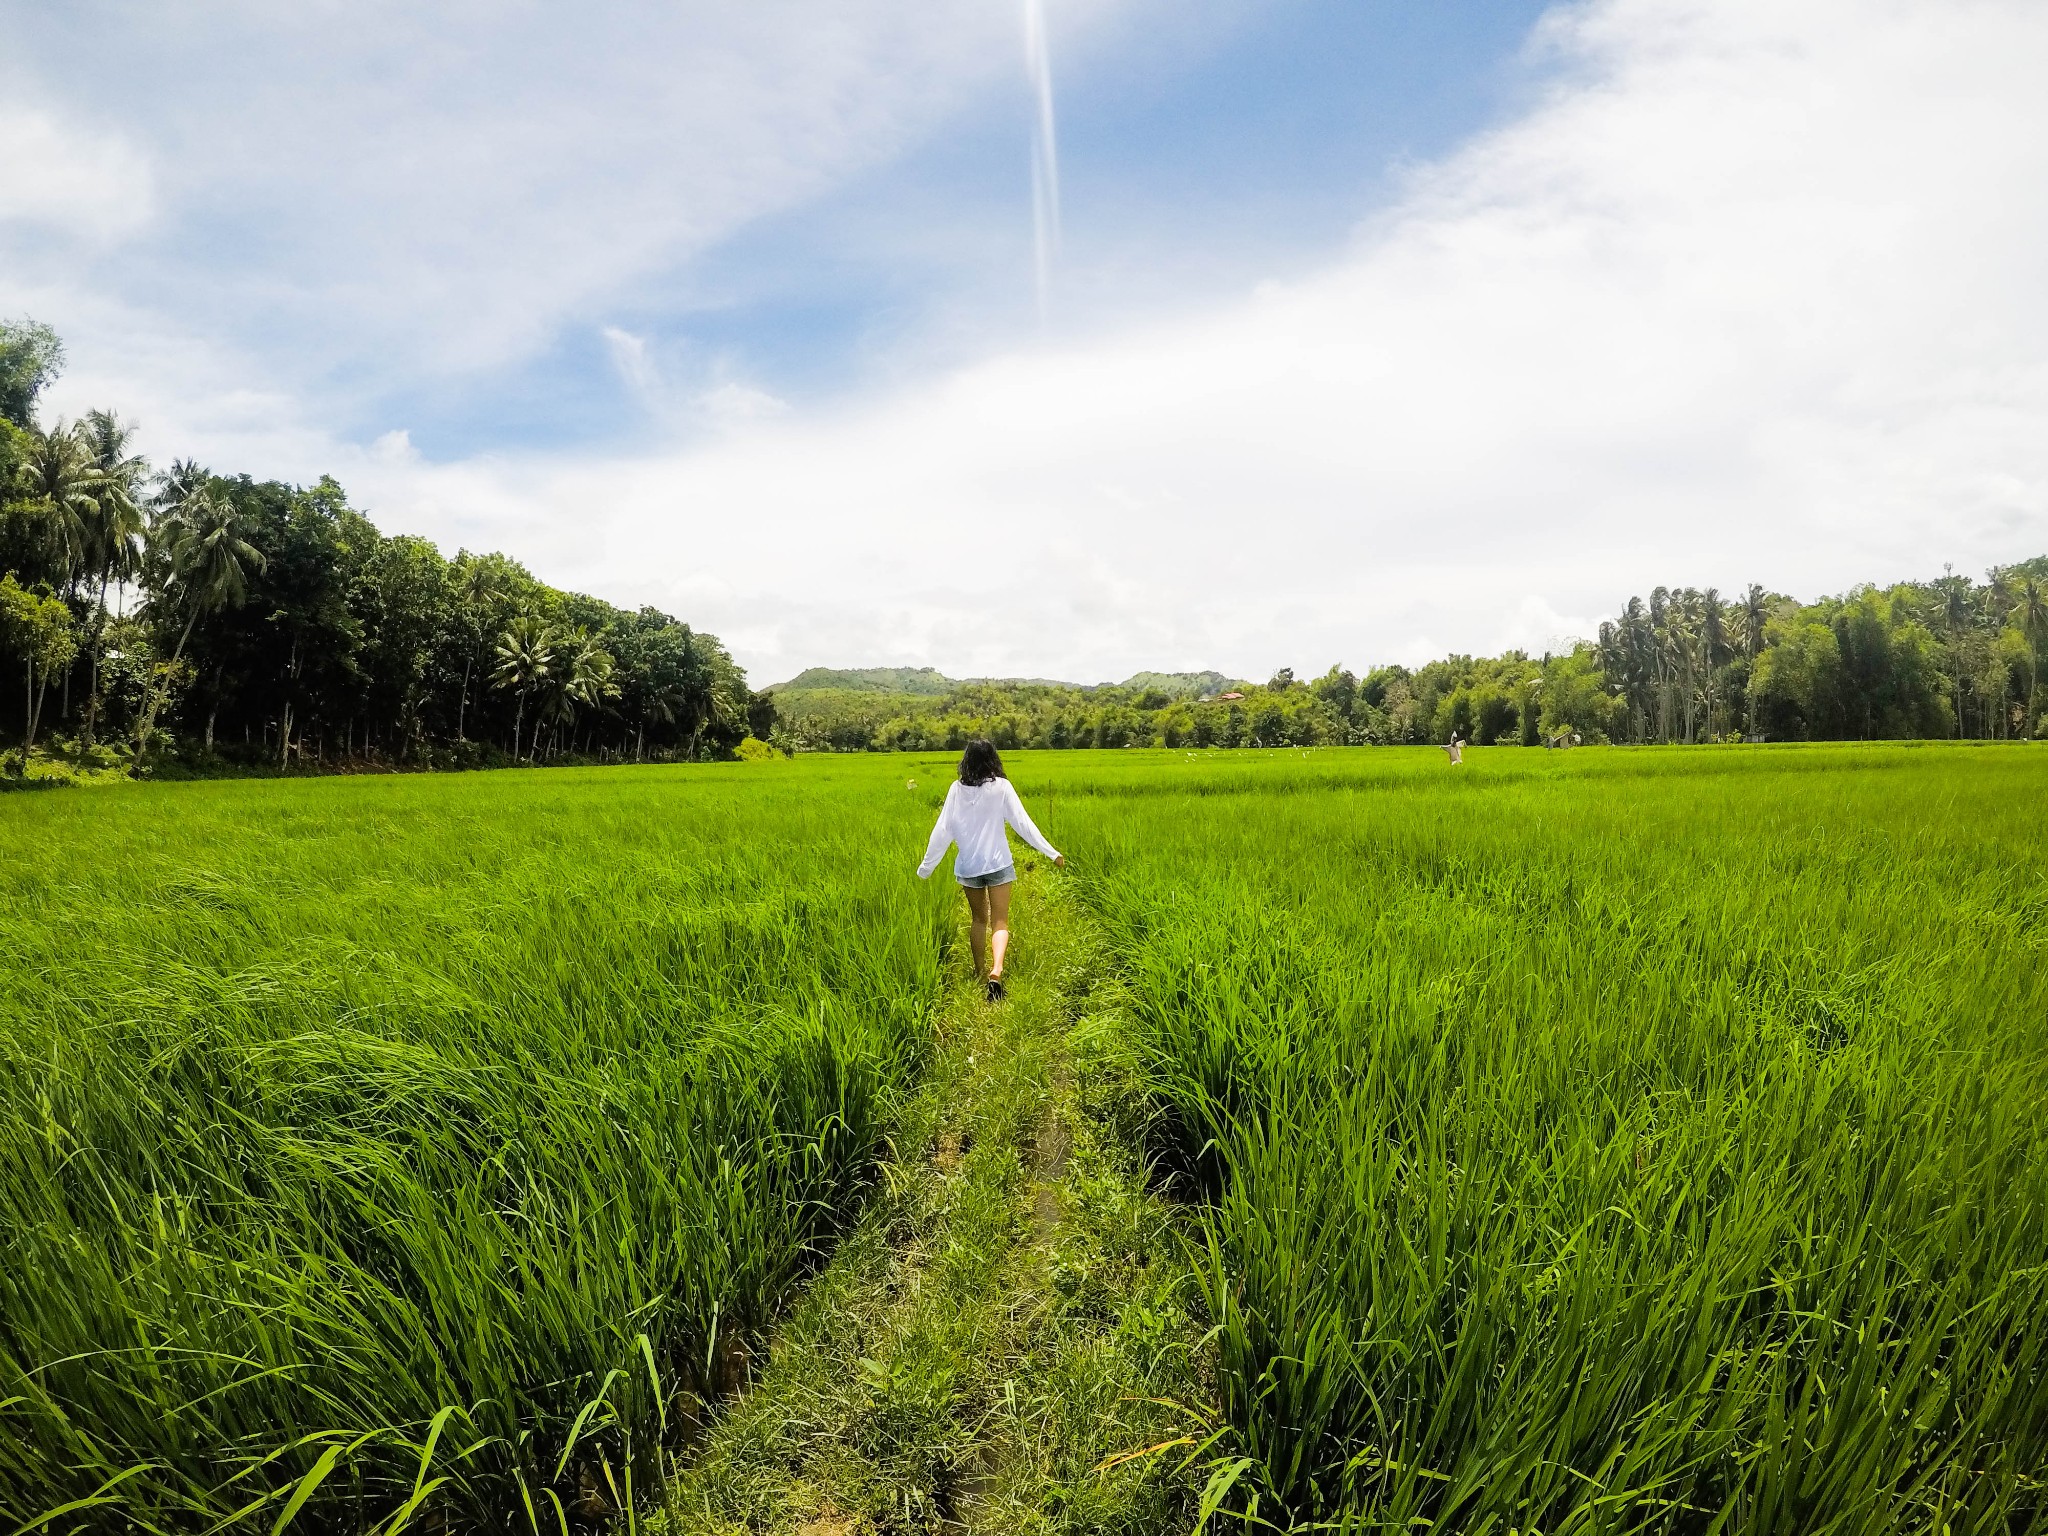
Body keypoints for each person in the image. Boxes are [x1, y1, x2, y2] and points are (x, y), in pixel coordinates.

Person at [916, 739, 1063, 1001]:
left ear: (967, 760)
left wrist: (926, 868)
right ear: (993, 759)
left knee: (978, 920)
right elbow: (1022, 822)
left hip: (969, 867)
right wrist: (1050, 852)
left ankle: (980, 971)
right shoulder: (1002, 787)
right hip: (998, 864)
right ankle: (997, 970)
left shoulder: (956, 789)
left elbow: (942, 830)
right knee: (999, 921)